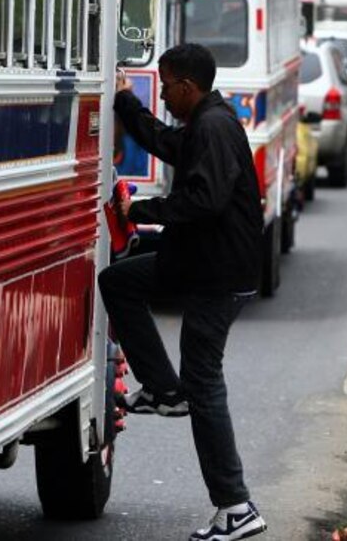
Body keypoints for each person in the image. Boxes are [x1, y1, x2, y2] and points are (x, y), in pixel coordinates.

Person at [98, 43, 267, 541]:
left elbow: (205, 200)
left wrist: (143, 211)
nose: (165, 94)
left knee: (205, 386)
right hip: (200, 263)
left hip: (217, 274)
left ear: (187, 87)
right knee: (119, 282)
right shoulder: (207, 120)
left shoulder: (213, 126)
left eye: (167, 85)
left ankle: (236, 508)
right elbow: (166, 143)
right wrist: (127, 102)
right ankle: (163, 391)